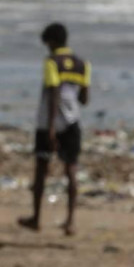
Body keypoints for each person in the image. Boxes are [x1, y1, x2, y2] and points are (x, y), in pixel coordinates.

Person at [21, 22, 90, 236]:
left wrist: (51, 127)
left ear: (50, 42)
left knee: (42, 169)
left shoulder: (51, 62)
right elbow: (84, 98)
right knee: (71, 170)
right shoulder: (82, 63)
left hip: (48, 123)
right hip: (72, 121)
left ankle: (36, 218)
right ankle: (70, 222)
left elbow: (53, 92)